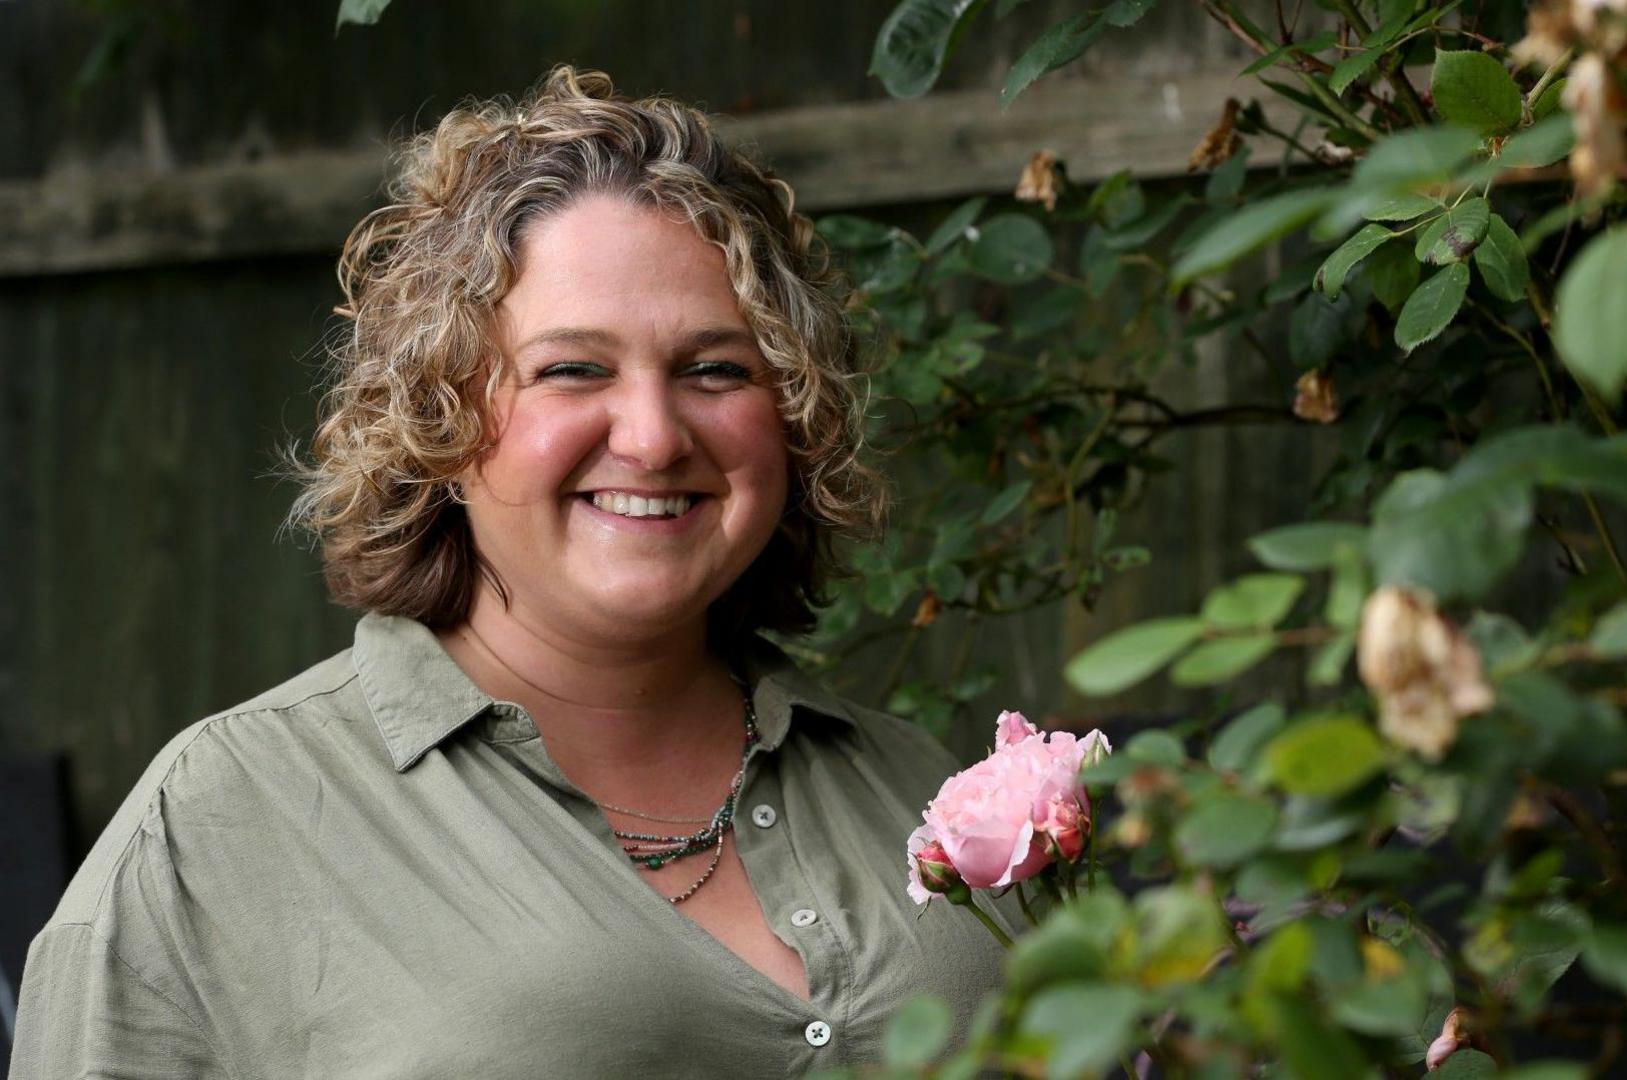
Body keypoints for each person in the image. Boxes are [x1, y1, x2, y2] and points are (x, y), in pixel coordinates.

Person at [10, 65, 1012, 1078]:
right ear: (438, 421)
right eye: (571, 369)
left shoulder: (921, 790)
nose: (655, 436)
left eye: (716, 368)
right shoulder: (226, 820)